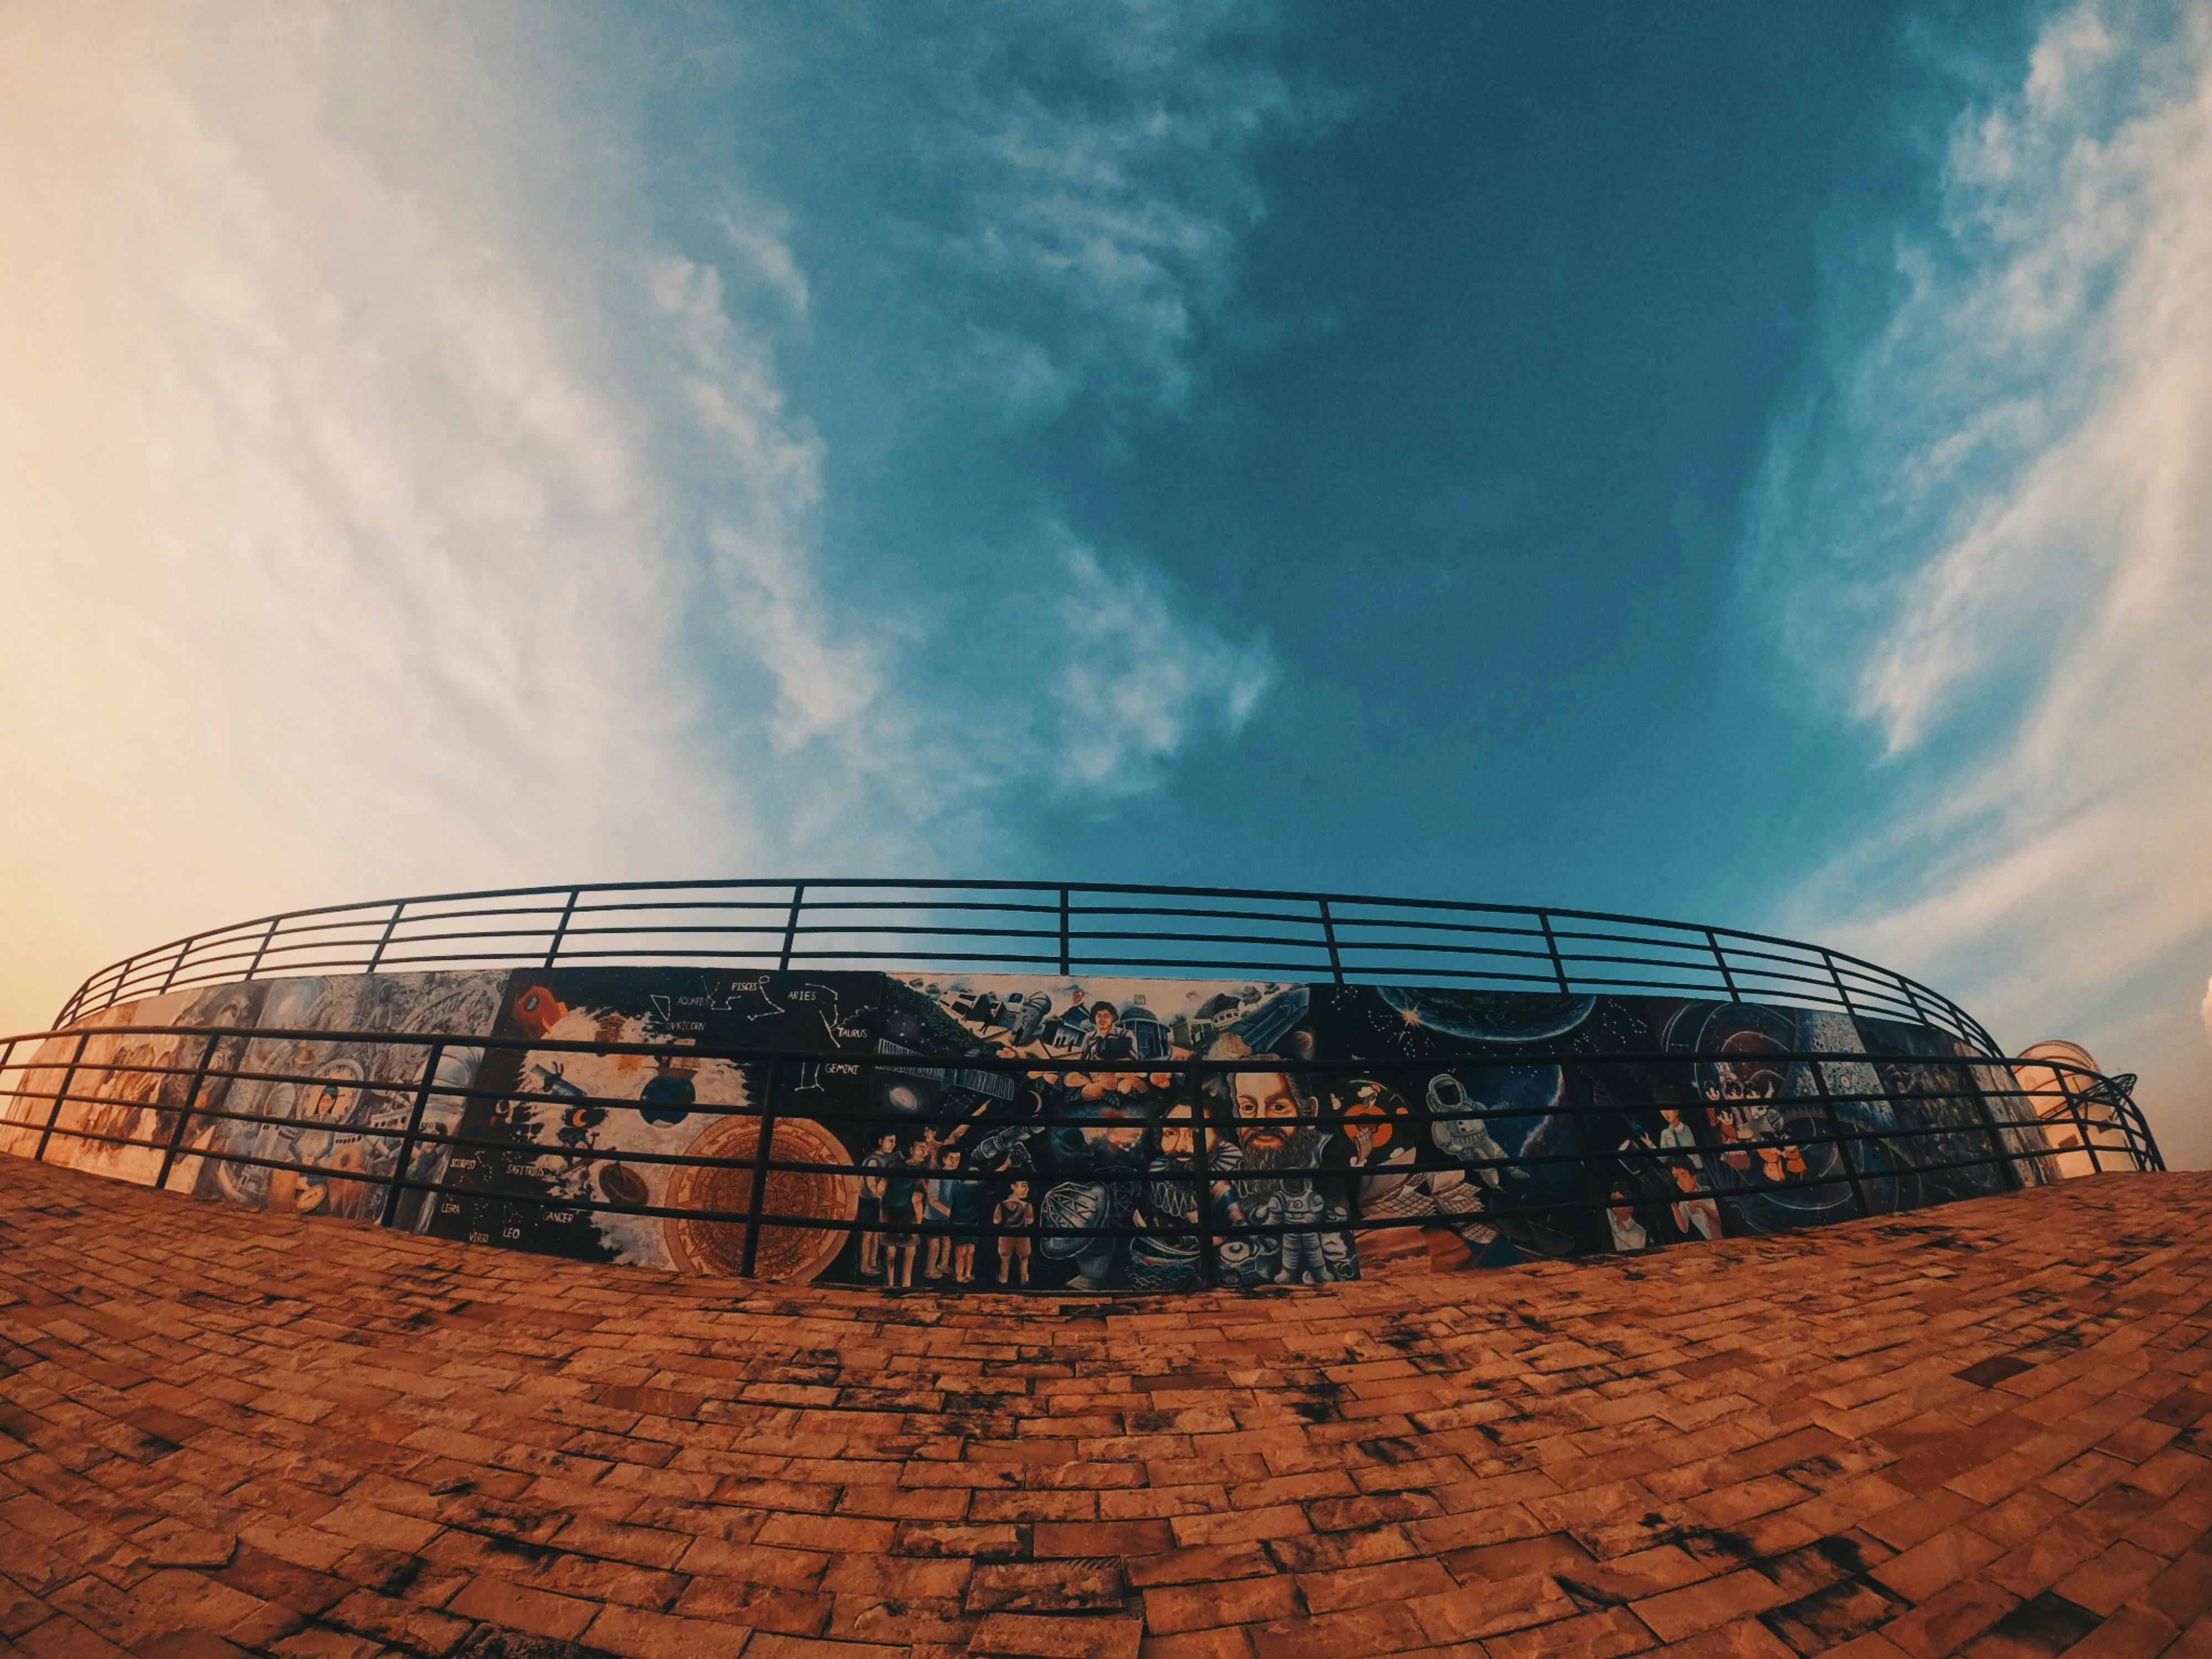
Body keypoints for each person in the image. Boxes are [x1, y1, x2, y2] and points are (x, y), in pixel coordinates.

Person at [881, 1138, 926, 1288]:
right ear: (912, 1151)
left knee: (890, 1254)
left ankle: (889, 1286)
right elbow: (917, 1199)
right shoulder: (921, 1172)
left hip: (889, 1213)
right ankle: (906, 1286)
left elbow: (881, 1188)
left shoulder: (894, 1166)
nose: (925, 1153)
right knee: (909, 1254)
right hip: (909, 1215)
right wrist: (919, 1224)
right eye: (922, 1148)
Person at [942, 1150, 989, 1284]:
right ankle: (959, 1276)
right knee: (963, 1251)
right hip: (960, 1223)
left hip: (970, 1222)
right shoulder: (965, 1186)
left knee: (969, 1250)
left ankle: (967, 1275)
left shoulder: (960, 1185)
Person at [858, 1131, 896, 1276]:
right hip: (868, 1202)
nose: (893, 1145)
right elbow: (870, 1185)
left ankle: (872, 1263)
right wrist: (883, 1197)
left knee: (876, 1235)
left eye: (894, 1141)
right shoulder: (873, 1160)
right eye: (890, 1141)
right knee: (868, 1236)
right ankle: (864, 1266)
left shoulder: (885, 1159)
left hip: (876, 1202)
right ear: (881, 1141)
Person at [995, 1180, 1034, 1285]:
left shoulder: (1001, 1205)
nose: (1027, 1189)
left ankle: (1004, 1279)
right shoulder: (1027, 1206)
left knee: (1005, 1258)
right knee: (1024, 1258)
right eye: (1024, 1186)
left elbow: (996, 1220)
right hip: (1022, 1235)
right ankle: (1024, 1280)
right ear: (1013, 1186)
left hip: (1005, 1236)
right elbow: (1030, 1221)